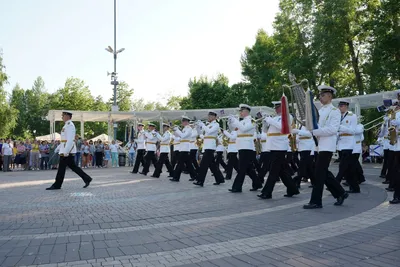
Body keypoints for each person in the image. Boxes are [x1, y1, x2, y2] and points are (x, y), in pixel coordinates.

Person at [303, 85, 348, 209]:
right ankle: (340, 193)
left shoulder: (335, 111)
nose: (320, 98)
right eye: (320, 95)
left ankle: (316, 201)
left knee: (319, 174)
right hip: (318, 145)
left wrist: (316, 132)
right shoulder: (320, 111)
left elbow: (333, 129)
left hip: (327, 145)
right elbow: (314, 127)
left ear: (330, 96)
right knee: (322, 172)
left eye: (323, 95)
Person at [258, 101, 299, 199]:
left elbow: (283, 128)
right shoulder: (275, 118)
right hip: (272, 146)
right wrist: (265, 122)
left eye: (278, 107)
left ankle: (267, 192)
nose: (276, 109)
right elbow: (265, 131)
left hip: (280, 146)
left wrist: (271, 121)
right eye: (275, 107)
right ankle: (292, 189)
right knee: (281, 171)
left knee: (273, 170)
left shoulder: (288, 116)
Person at [46, 111, 92, 190]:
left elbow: (70, 140)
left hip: (67, 151)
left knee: (61, 168)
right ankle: (87, 178)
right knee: (73, 166)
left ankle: (57, 184)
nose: (62, 117)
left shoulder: (70, 125)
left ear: (67, 116)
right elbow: (65, 140)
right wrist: (59, 147)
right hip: (65, 149)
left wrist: (66, 151)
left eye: (63, 115)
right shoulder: (66, 125)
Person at [228, 104, 263, 193]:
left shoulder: (252, 121)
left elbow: (243, 129)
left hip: (247, 147)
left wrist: (235, 121)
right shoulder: (242, 121)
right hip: (241, 146)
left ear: (246, 112)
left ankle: (237, 187)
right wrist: (230, 122)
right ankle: (257, 183)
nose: (240, 113)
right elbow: (234, 129)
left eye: (241, 111)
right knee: (248, 168)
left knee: (242, 168)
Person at [194, 111, 225, 187]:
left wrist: (203, 125)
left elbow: (209, 131)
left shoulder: (216, 124)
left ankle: (200, 181)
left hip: (211, 146)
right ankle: (220, 179)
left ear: (214, 117)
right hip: (206, 146)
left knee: (203, 165)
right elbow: (201, 134)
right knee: (212, 165)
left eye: (210, 116)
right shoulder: (208, 125)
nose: (209, 118)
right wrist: (198, 127)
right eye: (208, 116)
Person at [335, 100, 360, 193]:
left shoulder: (352, 116)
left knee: (343, 166)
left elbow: (353, 131)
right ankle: (355, 187)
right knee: (349, 168)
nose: (340, 107)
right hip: (341, 143)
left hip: (349, 143)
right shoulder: (338, 116)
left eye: (342, 106)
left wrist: (340, 127)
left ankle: (335, 183)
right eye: (339, 105)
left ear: (346, 106)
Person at [170, 117, 197, 182]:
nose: (182, 122)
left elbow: (183, 136)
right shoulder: (184, 129)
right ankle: (194, 176)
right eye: (182, 121)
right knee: (188, 164)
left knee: (180, 163)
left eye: (184, 121)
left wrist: (177, 130)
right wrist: (174, 135)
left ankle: (176, 177)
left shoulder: (189, 128)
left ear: (187, 122)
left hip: (186, 147)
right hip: (183, 147)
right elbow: (180, 138)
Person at [292, 123, 315, 188]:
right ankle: (314, 182)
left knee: (302, 166)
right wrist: (294, 140)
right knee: (308, 167)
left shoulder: (310, 123)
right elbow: (299, 137)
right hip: (302, 148)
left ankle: (297, 182)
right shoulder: (300, 126)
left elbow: (310, 134)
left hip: (308, 148)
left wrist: (298, 131)